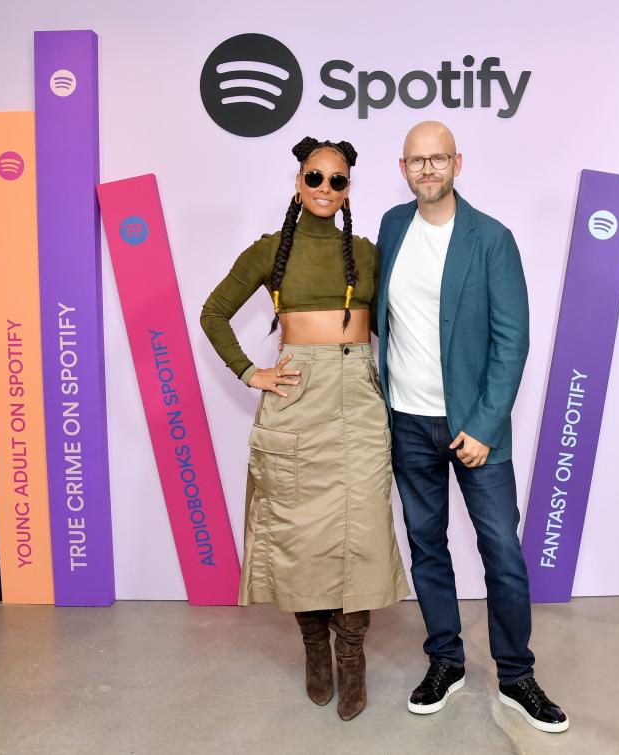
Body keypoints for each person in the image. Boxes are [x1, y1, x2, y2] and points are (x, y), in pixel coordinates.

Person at [200, 137, 409, 721]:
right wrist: (249, 372)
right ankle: (315, 649)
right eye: (314, 177)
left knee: (362, 533)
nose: (324, 188)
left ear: (349, 189)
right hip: (296, 400)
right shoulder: (269, 251)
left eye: (337, 180)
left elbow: (406, 318)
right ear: (298, 183)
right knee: (297, 537)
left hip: (359, 401)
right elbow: (213, 312)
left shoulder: (368, 254)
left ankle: (352, 655)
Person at [374, 121, 569, 733]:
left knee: (502, 553)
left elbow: (513, 342)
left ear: (457, 162)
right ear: (402, 167)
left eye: (437, 159)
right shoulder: (391, 227)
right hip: (409, 422)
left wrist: (483, 425)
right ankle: (445, 661)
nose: (427, 169)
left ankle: (516, 675)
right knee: (427, 546)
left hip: (476, 430)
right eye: (416, 160)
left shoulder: (491, 238)